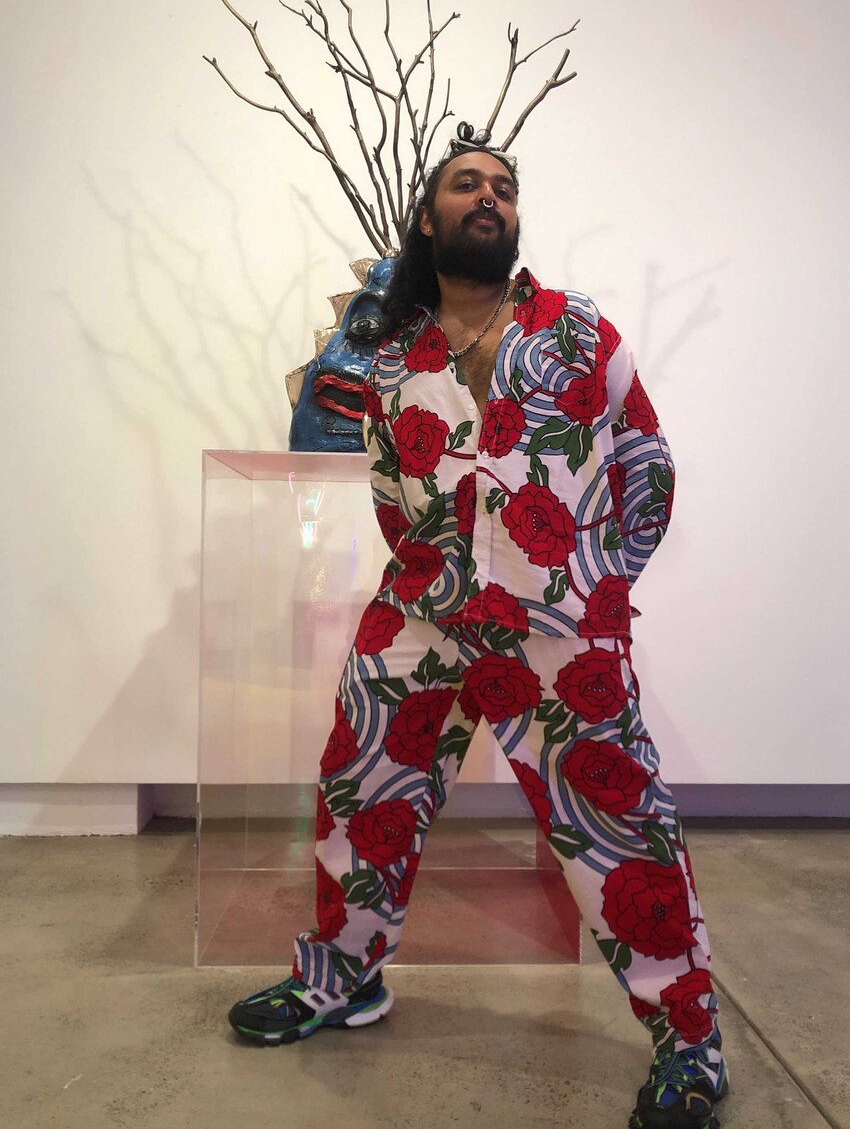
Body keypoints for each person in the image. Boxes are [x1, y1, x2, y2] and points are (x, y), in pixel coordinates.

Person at [228, 130, 729, 1129]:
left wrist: (604, 579)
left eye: (503, 187)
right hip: (420, 615)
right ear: (429, 217)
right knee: (357, 788)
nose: (489, 197)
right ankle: (343, 979)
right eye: (467, 185)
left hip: (558, 630)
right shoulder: (390, 355)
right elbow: (385, 483)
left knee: (617, 827)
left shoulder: (580, 332)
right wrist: (426, 566)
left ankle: (689, 1042)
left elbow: (644, 455)